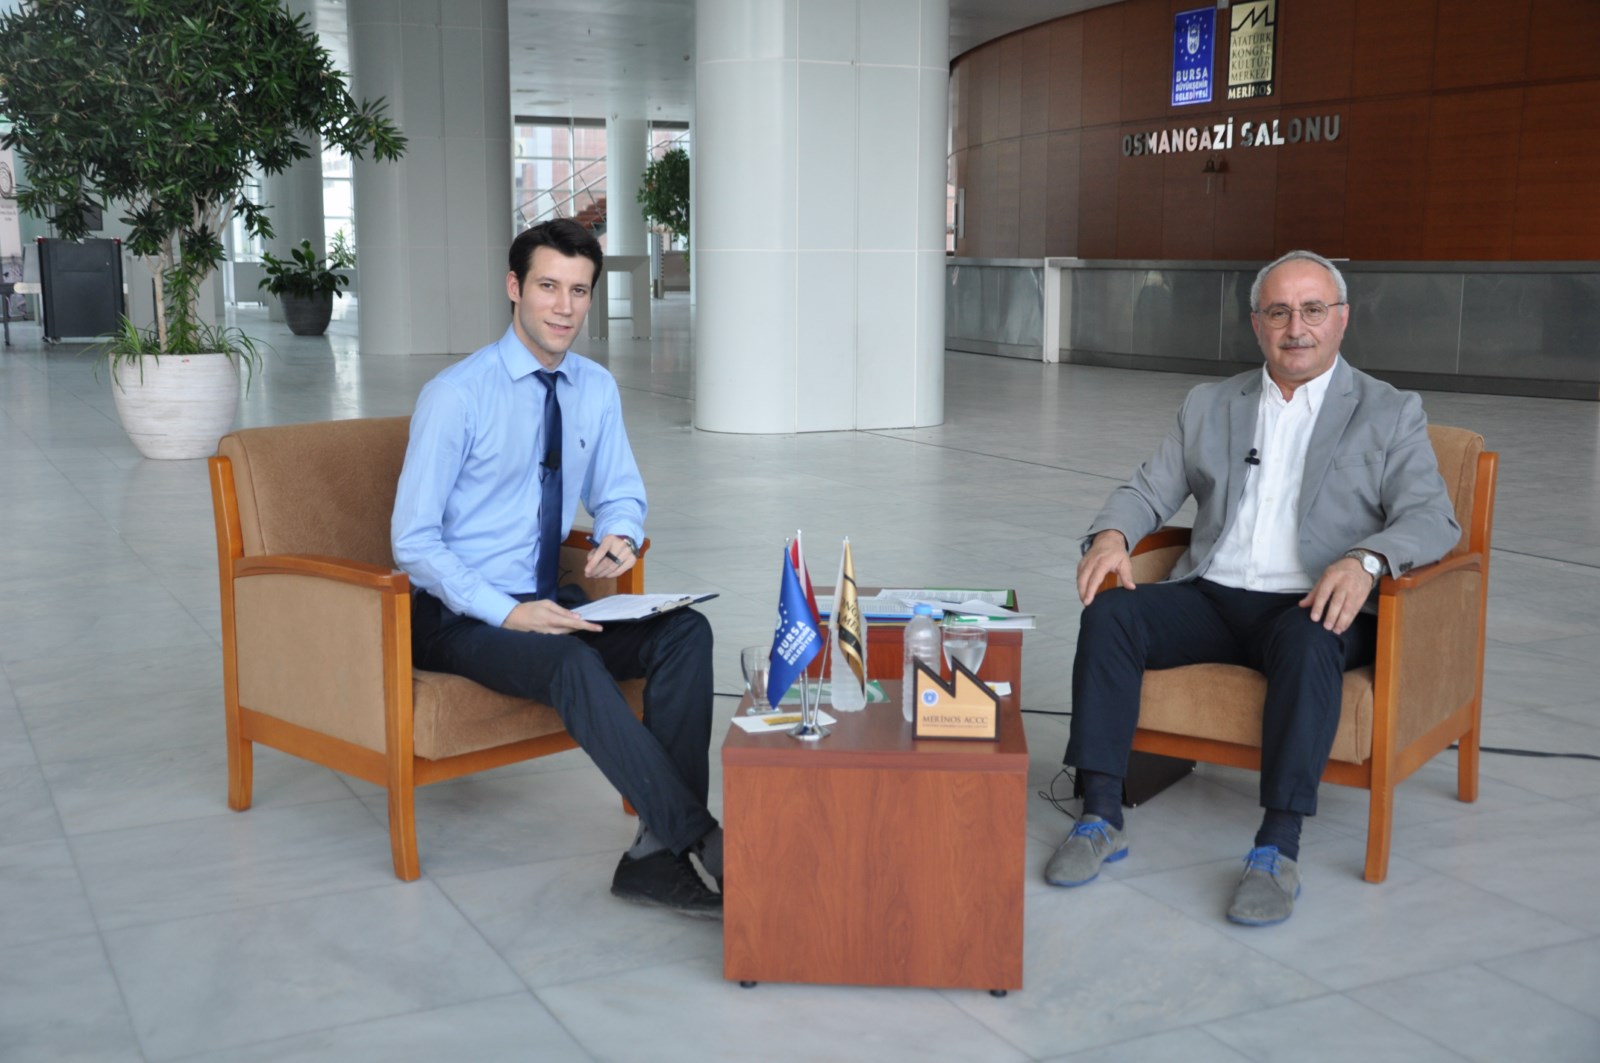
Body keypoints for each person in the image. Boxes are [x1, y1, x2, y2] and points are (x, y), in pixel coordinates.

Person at [1045, 249, 1461, 926]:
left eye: (1313, 310)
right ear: (1256, 323)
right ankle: (1099, 816)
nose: (1296, 327)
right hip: (1212, 594)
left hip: (1311, 603)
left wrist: (1365, 559)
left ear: (1342, 319)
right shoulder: (1210, 403)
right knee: (1112, 613)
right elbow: (1147, 489)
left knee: (1309, 639)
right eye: (1279, 312)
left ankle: (1277, 848)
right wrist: (1112, 535)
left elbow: (1432, 517)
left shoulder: (1388, 411)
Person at [392, 218, 723, 918]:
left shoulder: (593, 387)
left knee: (685, 632)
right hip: (460, 616)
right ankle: (702, 839)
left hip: (549, 597)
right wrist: (509, 612)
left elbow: (620, 491)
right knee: (569, 661)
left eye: (579, 290)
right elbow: (413, 542)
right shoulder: (457, 395)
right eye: (548, 286)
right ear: (514, 288)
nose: (564, 307)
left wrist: (621, 532)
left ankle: (654, 856)